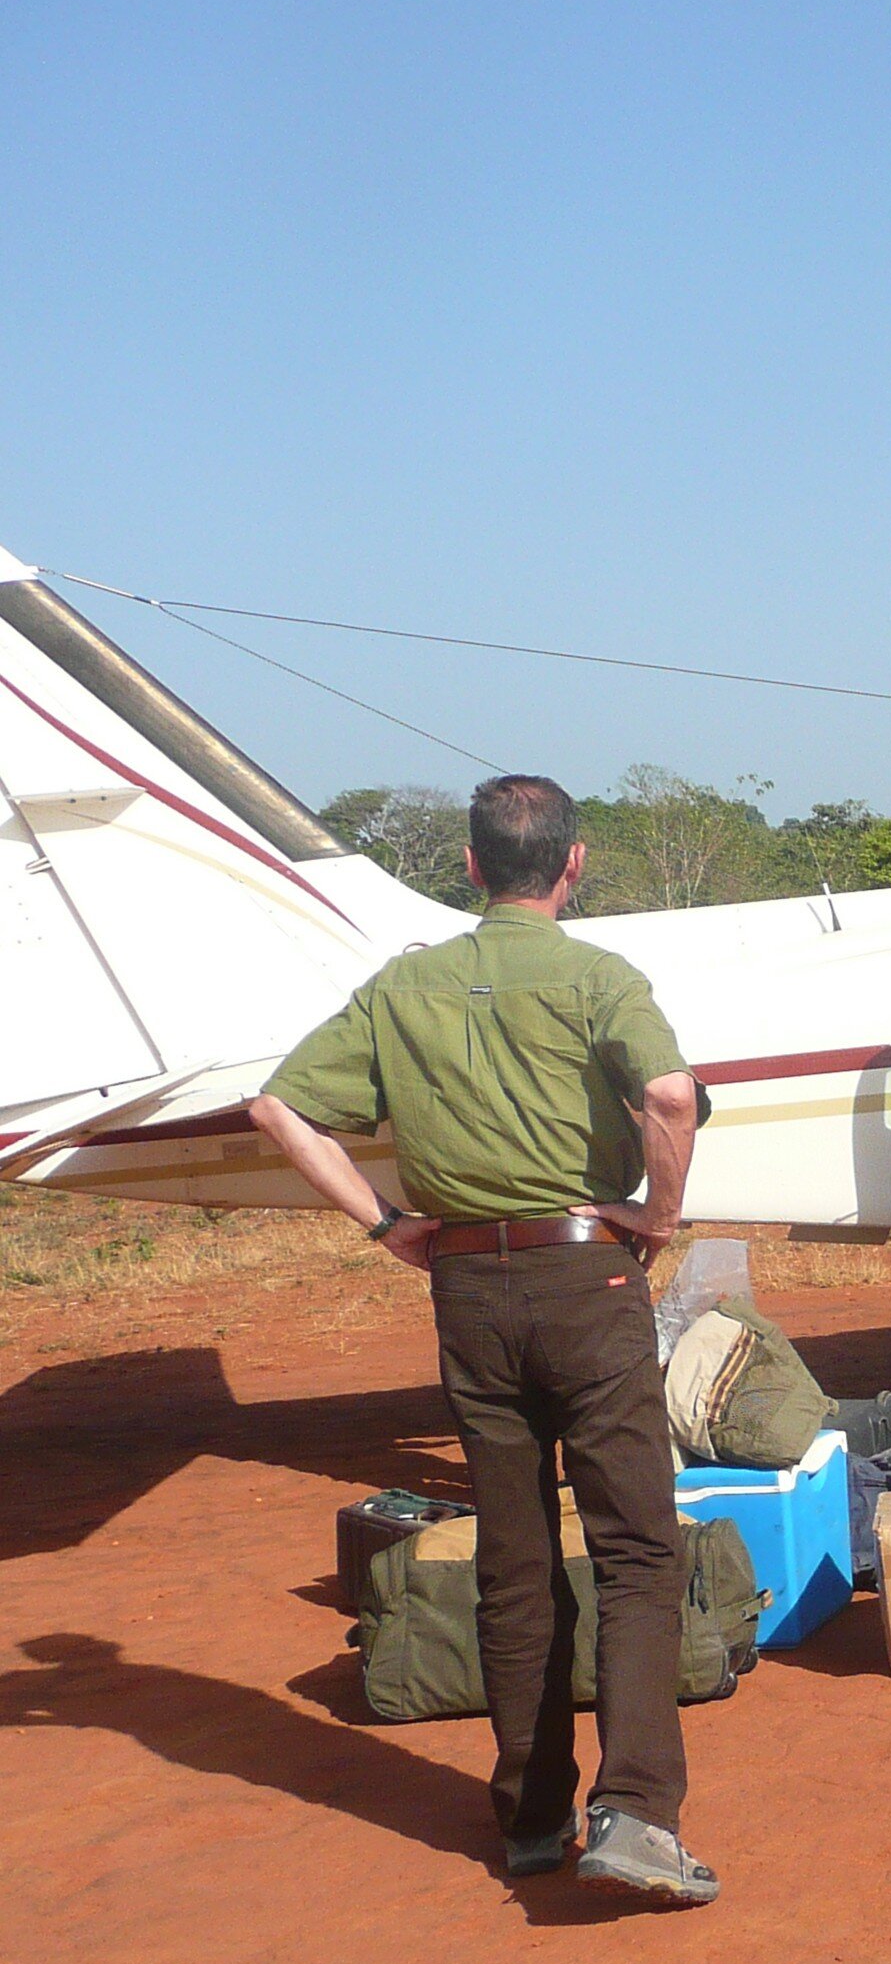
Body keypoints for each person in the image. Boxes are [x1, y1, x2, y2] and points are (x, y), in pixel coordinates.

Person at [247, 775, 718, 1902]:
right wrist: (656, 1215)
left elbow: (278, 1108)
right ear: (574, 863)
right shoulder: (599, 976)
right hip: (585, 1275)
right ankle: (636, 1813)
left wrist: (386, 1225)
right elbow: (668, 1094)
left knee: (514, 1555)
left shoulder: (403, 984)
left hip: (465, 1285)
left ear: (467, 865)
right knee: (637, 1549)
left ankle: (531, 1816)